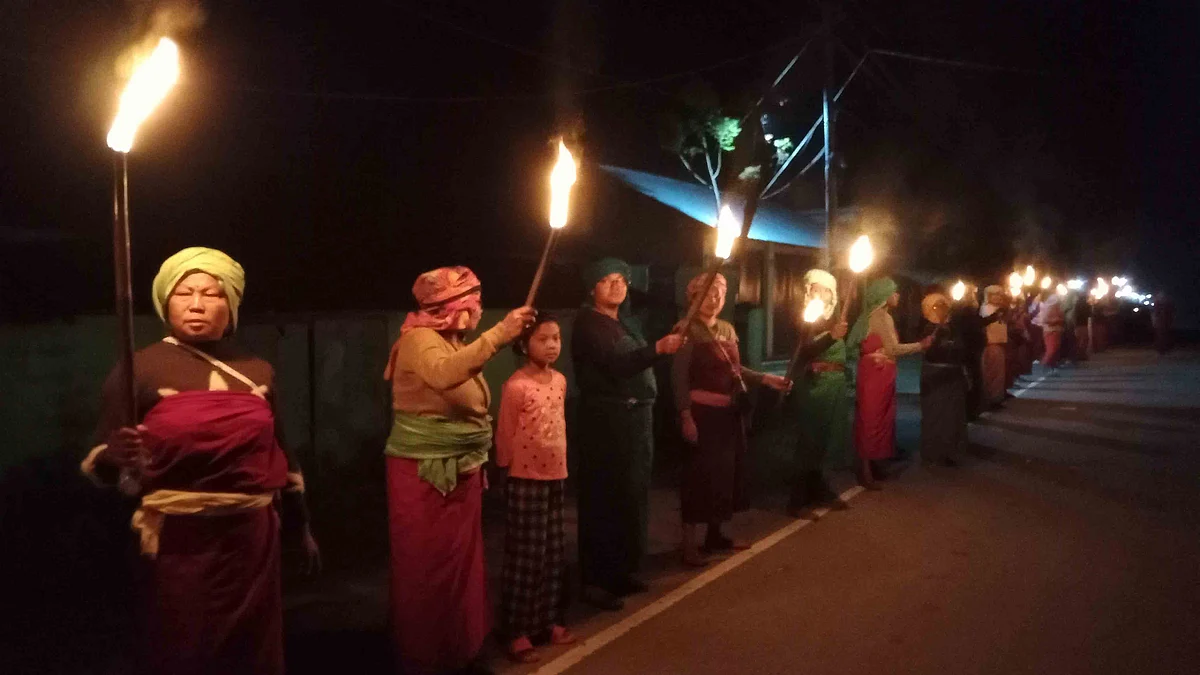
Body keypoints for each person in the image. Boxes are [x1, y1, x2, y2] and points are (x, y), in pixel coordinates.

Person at [80, 247, 319, 675]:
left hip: (251, 539)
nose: (196, 304)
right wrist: (115, 457)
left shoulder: (258, 371)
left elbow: (282, 454)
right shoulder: (140, 369)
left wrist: (301, 527)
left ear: (231, 304)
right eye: (184, 292)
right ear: (164, 302)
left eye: (211, 294)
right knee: (183, 644)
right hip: (177, 543)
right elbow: (100, 459)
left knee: (251, 647)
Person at [382, 266, 536, 675]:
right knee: (429, 569)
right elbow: (444, 376)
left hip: (461, 473)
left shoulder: (452, 342)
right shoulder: (419, 340)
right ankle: (427, 657)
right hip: (425, 476)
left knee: (462, 564)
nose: (479, 309)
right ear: (454, 307)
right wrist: (500, 334)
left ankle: (460, 649)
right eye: (474, 300)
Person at [571, 258, 684, 611]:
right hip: (607, 423)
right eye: (607, 280)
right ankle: (595, 579)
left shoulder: (624, 322)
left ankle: (620, 570)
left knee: (630, 498)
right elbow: (619, 365)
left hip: (635, 422)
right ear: (592, 287)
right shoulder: (589, 325)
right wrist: (658, 349)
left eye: (622, 279)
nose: (617, 286)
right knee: (604, 498)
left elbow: (637, 356)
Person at [672, 273, 791, 565]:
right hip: (702, 415)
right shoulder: (686, 330)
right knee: (698, 478)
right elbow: (678, 378)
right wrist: (685, 416)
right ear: (694, 296)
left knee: (724, 477)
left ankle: (715, 535)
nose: (714, 298)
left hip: (728, 416)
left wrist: (766, 379)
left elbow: (736, 370)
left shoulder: (726, 328)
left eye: (720, 293)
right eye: (708, 292)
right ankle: (689, 545)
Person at [495, 314, 576, 663]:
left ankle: (547, 621)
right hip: (524, 477)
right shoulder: (516, 386)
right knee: (526, 556)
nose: (552, 345)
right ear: (525, 343)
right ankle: (516, 630)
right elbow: (505, 433)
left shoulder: (559, 381)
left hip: (556, 474)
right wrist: (504, 472)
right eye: (543, 339)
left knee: (553, 552)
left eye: (556, 338)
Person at [847, 278, 931, 489]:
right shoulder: (878, 317)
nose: (898, 296)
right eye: (894, 292)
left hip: (881, 374)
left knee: (880, 419)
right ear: (884, 296)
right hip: (875, 375)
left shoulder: (883, 316)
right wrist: (920, 345)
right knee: (871, 420)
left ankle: (874, 465)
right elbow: (892, 349)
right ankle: (865, 471)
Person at [785, 269, 850, 518]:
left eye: (824, 289)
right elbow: (805, 351)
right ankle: (797, 499)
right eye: (814, 288)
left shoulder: (835, 317)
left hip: (833, 386)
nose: (818, 293)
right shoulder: (805, 316)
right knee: (809, 441)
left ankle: (817, 489)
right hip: (813, 387)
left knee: (825, 441)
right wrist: (830, 337)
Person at [919, 292, 968, 467]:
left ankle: (949, 451)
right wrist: (938, 332)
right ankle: (933, 452)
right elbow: (930, 351)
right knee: (935, 414)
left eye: (943, 306)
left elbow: (961, 349)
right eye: (936, 307)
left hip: (953, 376)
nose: (941, 310)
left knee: (952, 415)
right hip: (935, 376)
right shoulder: (928, 328)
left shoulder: (953, 327)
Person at [951, 283, 985, 420]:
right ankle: (969, 411)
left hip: (970, 349)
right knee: (971, 380)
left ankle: (971, 410)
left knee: (972, 379)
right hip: (968, 350)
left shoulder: (965, 311)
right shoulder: (963, 311)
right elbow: (970, 330)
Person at [980, 286, 1009, 409]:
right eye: (995, 294)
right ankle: (991, 399)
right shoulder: (986, 309)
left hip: (999, 345)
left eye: (1000, 294)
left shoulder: (998, 310)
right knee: (992, 374)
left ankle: (997, 397)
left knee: (998, 373)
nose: (999, 297)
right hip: (991, 345)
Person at [1039, 294, 1066, 368]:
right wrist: (1055, 321)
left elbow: (1063, 318)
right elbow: (1044, 320)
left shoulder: (1059, 309)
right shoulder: (1047, 309)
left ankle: (1052, 365)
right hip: (1049, 331)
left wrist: (1060, 320)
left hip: (1058, 330)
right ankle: (1045, 363)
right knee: (1051, 349)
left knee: (1056, 348)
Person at [1071, 292, 1092, 361]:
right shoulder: (1087, 305)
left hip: (1077, 325)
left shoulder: (1076, 305)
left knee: (1078, 340)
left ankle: (1078, 355)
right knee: (1084, 340)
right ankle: (1082, 355)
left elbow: (1074, 314)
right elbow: (1090, 314)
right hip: (1084, 324)